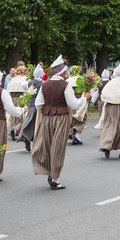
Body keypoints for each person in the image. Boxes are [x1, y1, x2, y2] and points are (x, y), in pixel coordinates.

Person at [31, 56, 90, 190]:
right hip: (62, 118)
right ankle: (54, 178)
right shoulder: (65, 84)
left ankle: (47, 170)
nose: (67, 72)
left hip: (47, 118)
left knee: (47, 144)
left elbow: (38, 104)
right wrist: (84, 98)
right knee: (58, 147)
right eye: (65, 70)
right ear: (62, 71)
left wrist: (49, 106)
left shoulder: (44, 84)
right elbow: (73, 104)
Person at [17, 64, 44, 151]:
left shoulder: (29, 82)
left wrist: (30, 81)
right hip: (39, 107)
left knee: (29, 123)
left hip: (31, 106)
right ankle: (35, 141)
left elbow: (23, 85)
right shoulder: (43, 83)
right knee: (38, 125)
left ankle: (27, 138)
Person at [66, 65, 87, 145]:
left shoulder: (67, 80)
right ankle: (76, 134)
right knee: (82, 117)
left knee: (71, 117)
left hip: (70, 100)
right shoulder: (81, 79)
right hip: (80, 98)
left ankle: (71, 133)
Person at [6, 65, 27, 140]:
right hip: (21, 98)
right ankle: (16, 128)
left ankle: (12, 127)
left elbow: (8, 89)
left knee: (13, 114)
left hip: (12, 98)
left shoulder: (13, 79)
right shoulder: (25, 79)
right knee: (21, 115)